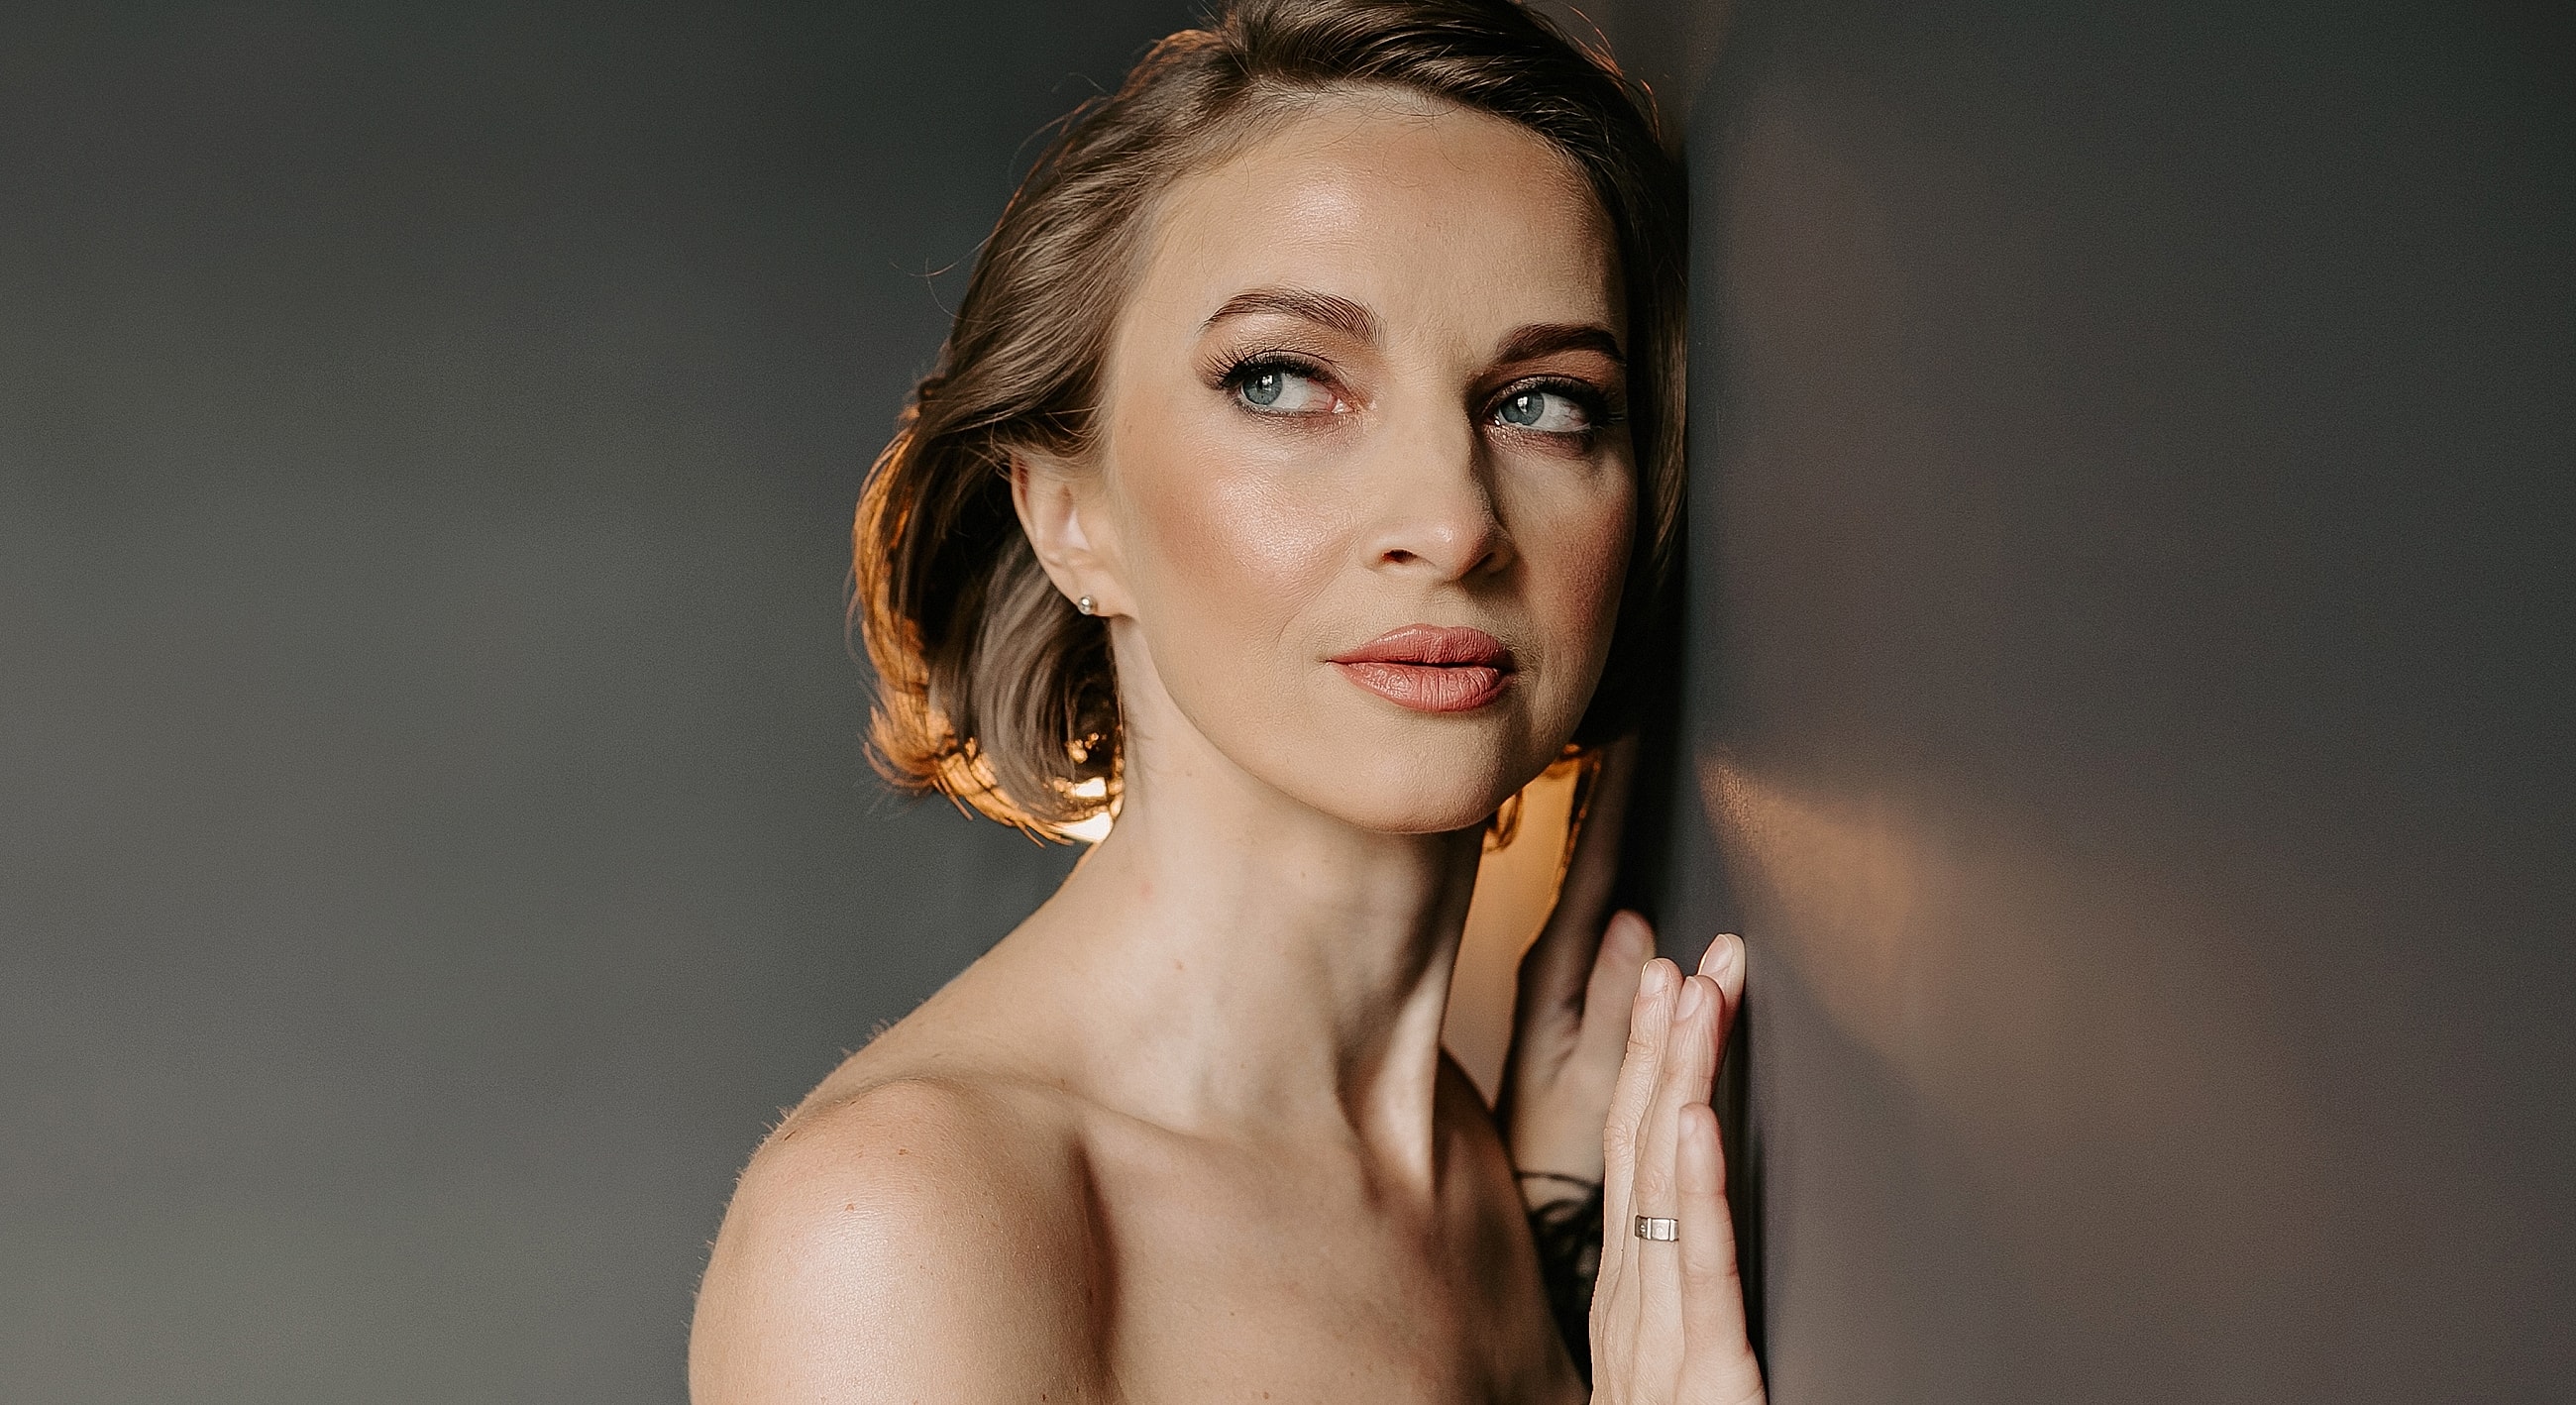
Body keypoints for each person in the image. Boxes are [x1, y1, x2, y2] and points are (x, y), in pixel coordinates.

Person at [690, 2, 1762, 1400]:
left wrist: (1554, 1224)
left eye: (1545, 401)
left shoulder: (1481, 1184)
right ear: (1069, 511)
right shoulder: (899, 1229)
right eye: (1284, 380)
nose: (1449, 519)